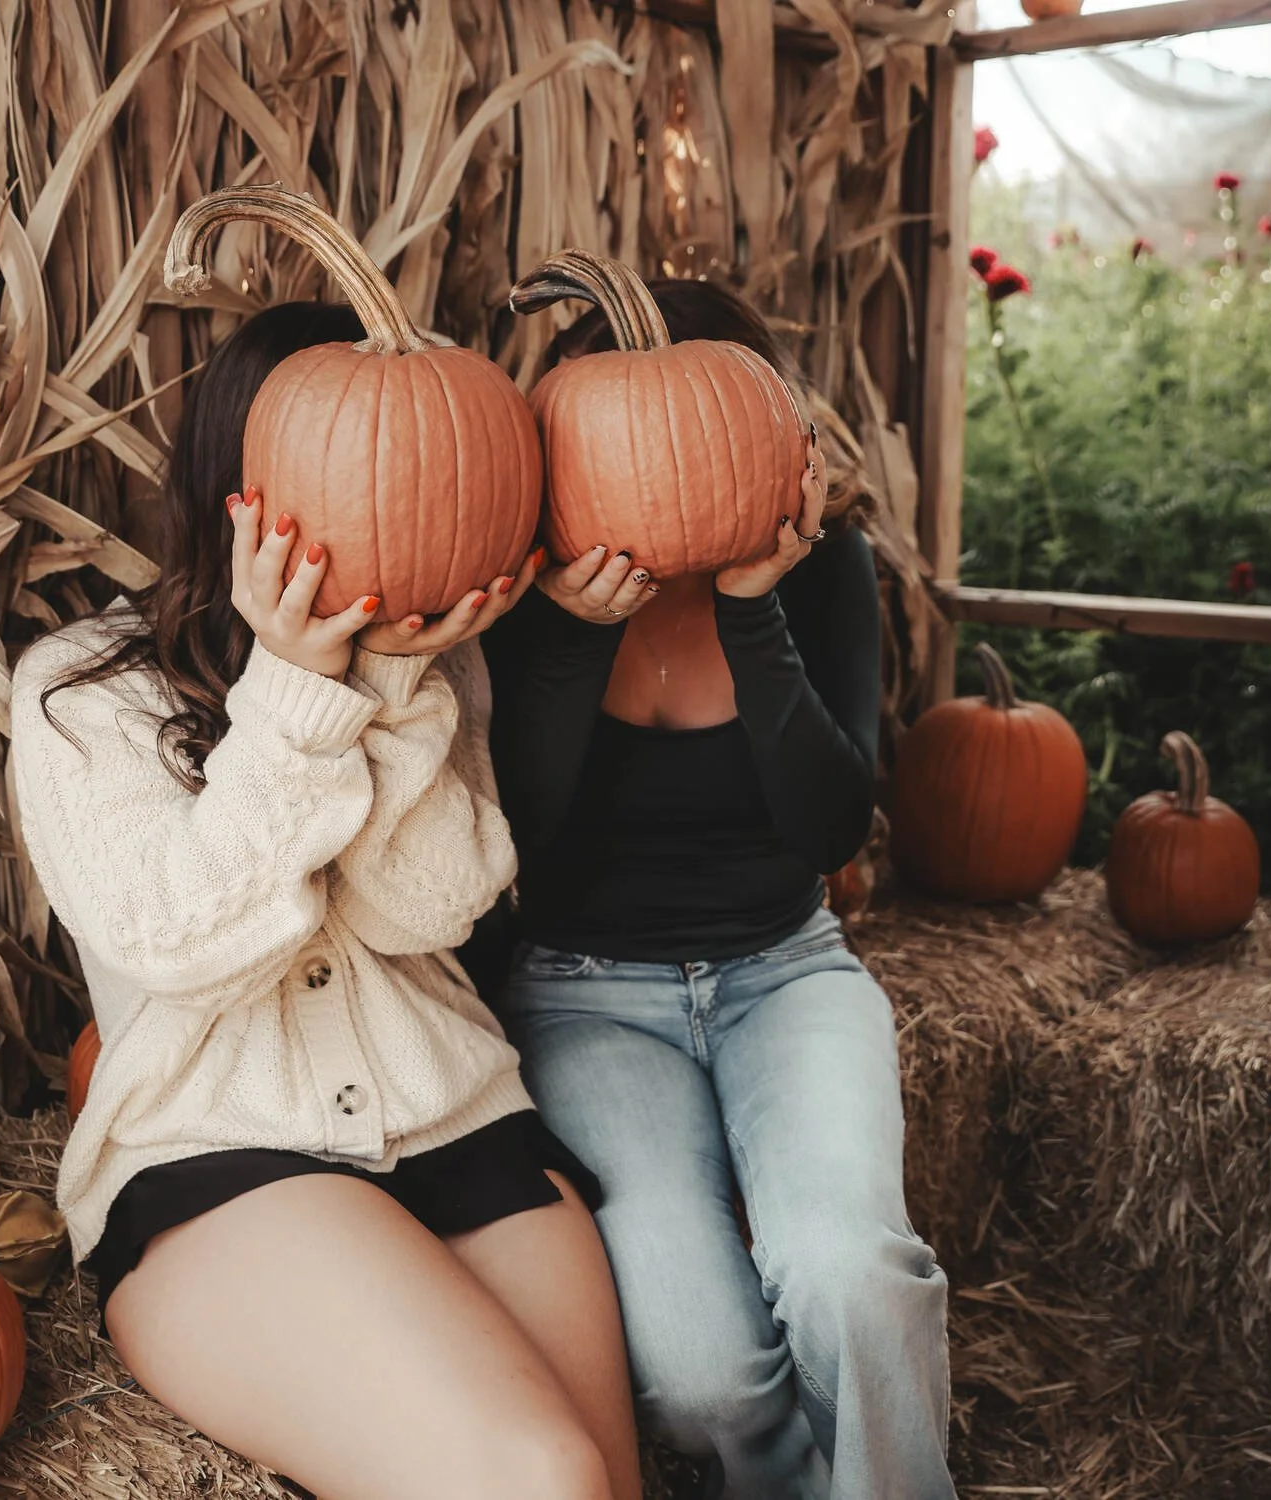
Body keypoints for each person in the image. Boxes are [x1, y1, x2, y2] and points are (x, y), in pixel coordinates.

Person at [9, 302, 641, 1500]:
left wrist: (396, 681)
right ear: (239, 493)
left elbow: (430, 910)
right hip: (224, 1157)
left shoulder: (438, 667)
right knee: (542, 1477)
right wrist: (298, 690)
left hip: (458, 1118)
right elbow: (183, 938)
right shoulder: (82, 697)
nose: (400, 498)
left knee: (604, 1482)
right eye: (362, 471)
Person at [484, 282, 956, 1500]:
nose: (661, 452)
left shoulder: (818, 566)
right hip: (584, 995)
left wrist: (754, 617)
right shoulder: (517, 591)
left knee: (851, 1272)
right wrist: (572, 636)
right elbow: (513, 838)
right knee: (696, 1372)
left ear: (763, 430)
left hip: (782, 966)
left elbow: (827, 827)